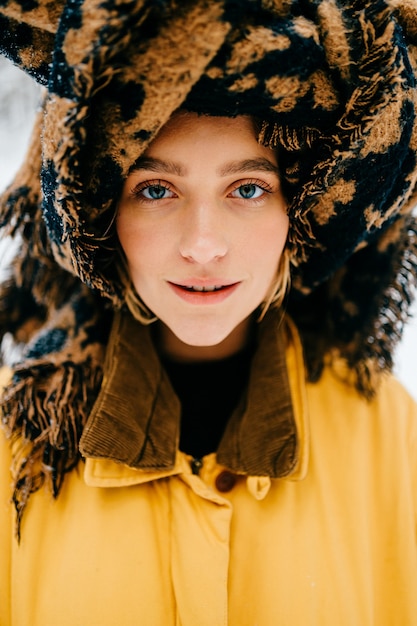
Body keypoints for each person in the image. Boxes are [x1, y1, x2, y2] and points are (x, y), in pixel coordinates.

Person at [0, 1, 417, 624]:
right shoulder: (14, 451)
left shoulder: (387, 435)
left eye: (247, 189)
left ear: (298, 210)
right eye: (156, 190)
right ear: (101, 213)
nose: (202, 245)